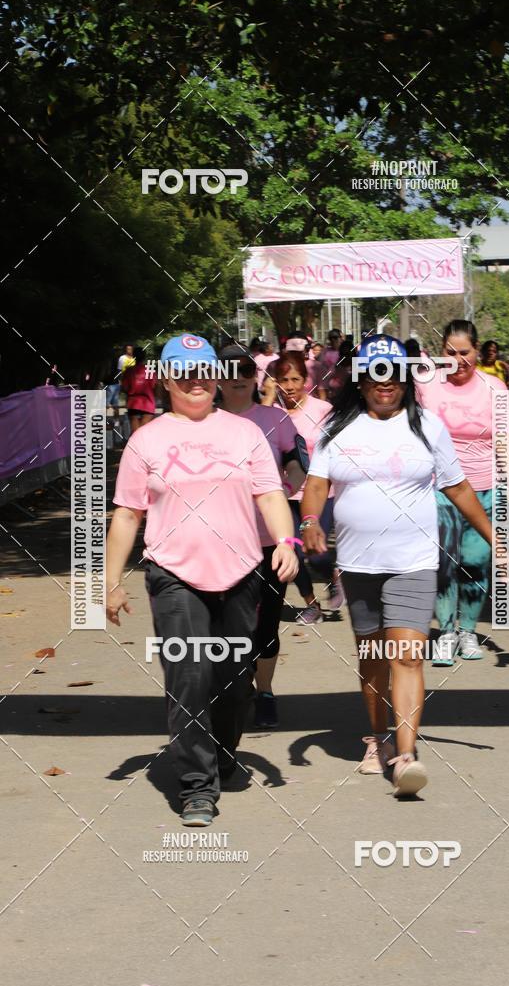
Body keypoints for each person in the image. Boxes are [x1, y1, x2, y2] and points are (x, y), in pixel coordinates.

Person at [106, 334, 298, 826]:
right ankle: (196, 786)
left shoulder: (244, 434)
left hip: (241, 572)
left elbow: (271, 493)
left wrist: (285, 541)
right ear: (167, 379)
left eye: (204, 372)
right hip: (173, 575)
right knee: (188, 675)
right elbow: (127, 514)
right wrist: (108, 582)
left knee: (234, 681)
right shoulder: (146, 440)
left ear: (215, 377)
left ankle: (224, 748)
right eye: (184, 373)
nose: (196, 382)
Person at [302, 335, 492, 797]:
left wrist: (495, 538)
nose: (384, 384)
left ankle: (406, 757)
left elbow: (458, 486)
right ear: (362, 379)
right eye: (375, 374)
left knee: (407, 654)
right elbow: (315, 483)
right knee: (373, 659)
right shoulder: (339, 425)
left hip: (414, 561)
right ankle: (378, 737)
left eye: (393, 374)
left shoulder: (428, 425)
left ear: (406, 379)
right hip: (359, 562)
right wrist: (308, 520)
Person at [218, 344, 305, 729]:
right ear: (216, 378)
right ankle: (232, 693)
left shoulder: (275, 419)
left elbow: (297, 462)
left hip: (269, 540)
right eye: (228, 370)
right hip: (219, 542)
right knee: (226, 625)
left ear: (255, 376)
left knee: (266, 624)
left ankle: (265, 690)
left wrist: (288, 490)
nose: (237, 376)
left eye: (244, 369)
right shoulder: (204, 420)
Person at [418, 320, 505, 663]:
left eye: (465, 353)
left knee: (476, 561)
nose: (457, 360)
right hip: (440, 488)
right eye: (450, 353)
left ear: (477, 350)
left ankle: (468, 631)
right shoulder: (427, 383)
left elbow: (508, 438)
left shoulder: (494, 387)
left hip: (485, 487)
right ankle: (446, 632)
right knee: (443, 562)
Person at [271, 350, 344, 622]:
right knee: (292, 551)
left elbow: (339, 448)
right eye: (283, 380)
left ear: (306, 380)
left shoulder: (322, 411)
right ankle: (311, 604)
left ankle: (333, 575)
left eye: (295, 379)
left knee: (317, 553)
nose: (289, 386)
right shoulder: (272, 413)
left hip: (320, 493)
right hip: (285, 495)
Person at [120, 346, 157, 433]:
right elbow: (155, 386)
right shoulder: (150, 370)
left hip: (133, 403)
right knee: (144, 432)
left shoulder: (128, 371)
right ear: (144, 357)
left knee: (135, 433)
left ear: (133, 356)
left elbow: (124, 388)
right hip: (148, 403)